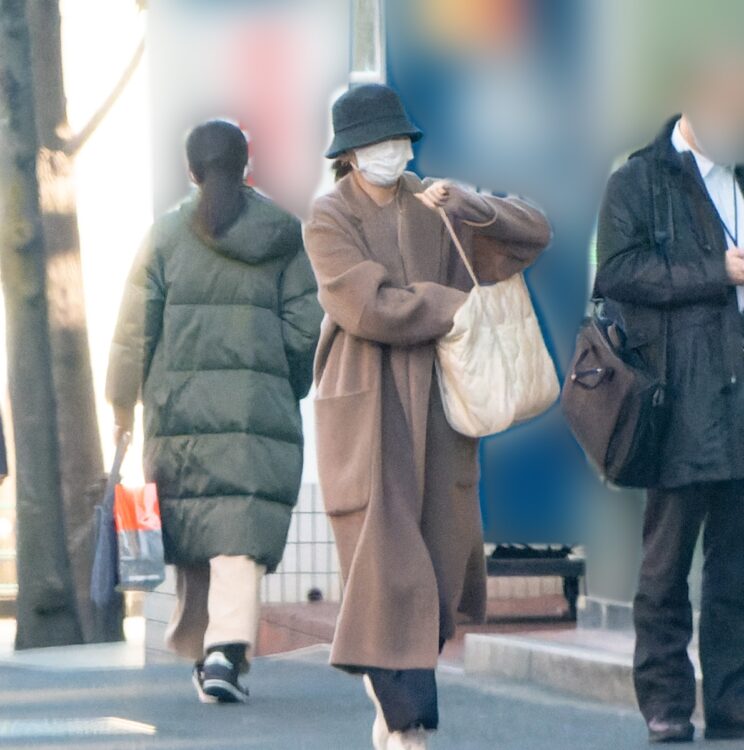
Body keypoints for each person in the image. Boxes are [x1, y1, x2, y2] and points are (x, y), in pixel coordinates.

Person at [304, 83, 551, 750]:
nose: (393, 152)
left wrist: (467, 201)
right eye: (379, 142)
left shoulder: (433, 202)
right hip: (368, 404)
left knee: (438, 569)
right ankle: (411, 728)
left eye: (400, 140)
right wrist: (452, 305)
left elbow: (533, 234)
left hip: (441, 406)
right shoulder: (328, 216)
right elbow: (367, 306)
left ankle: (392, 706)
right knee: (389, 572)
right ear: (348, 154)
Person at [106, 120, 322, 703]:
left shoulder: (165, 237)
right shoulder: (282, 235)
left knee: (198, 524)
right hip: (257, 411)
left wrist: (122, 403)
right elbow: (307, 328)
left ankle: (208, 649)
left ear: (192, 171)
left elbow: (133, 331)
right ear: (246, 166)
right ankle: (223, 650)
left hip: (178, 414)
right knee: (238, 531)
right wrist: (286, 384)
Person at [595, 58, 744, 743]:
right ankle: (665, 703)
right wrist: (718, 271)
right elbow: (619, 274)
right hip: (676, 401)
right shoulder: (638, 181)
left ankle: (731, 702)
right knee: (663, 569)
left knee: (735, 572)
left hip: (740, 401)